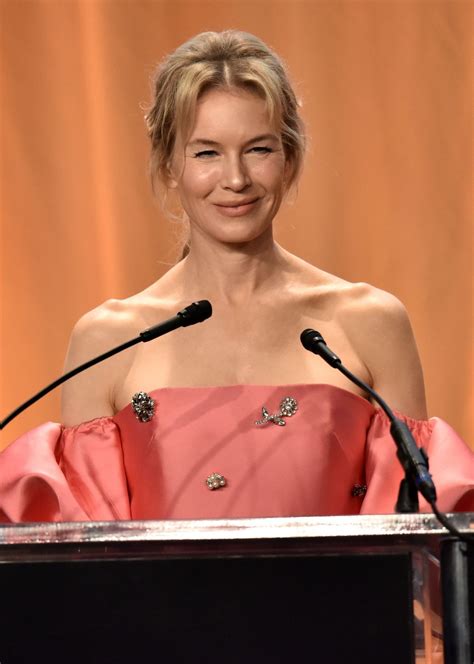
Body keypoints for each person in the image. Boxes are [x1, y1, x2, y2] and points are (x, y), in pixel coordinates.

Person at [0, 30, 472, 522]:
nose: (236, 179)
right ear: (168, 166)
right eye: (206, 152)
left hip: (342, 600)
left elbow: (412, 544)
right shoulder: (109, 339)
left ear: (289, 158)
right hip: (155, 602)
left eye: (259, 149)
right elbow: (89, 568)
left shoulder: (368, 322)